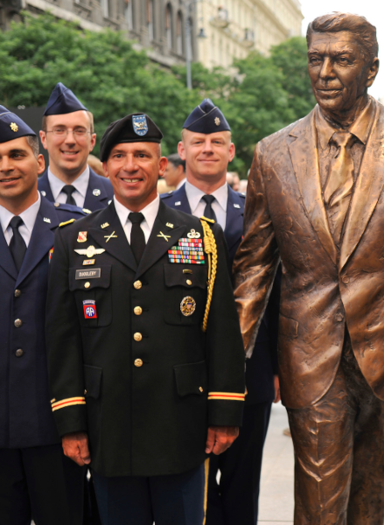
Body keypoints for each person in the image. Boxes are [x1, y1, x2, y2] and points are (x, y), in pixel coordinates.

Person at [232, 12, 384, 523]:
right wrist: (229, 350)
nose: (324, 71)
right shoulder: (273, 154)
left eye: (341, 60)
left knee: (372, 496)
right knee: (321, 501)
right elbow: (255, 265)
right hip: (310, 349)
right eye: (315, 59)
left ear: (370, 70)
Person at [45, 113, 246, 525]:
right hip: (108, 428)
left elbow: (223, 332)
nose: (130, 165)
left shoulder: (200, 235)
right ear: (106, 167)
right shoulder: (74, 238)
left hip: (182, 425)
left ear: (161, 166)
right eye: (119, 156)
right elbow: (63, 338)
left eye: (142, 155)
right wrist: (70, 421)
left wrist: (224, 413)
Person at [161, 98, 281, 525]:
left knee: (241, 485)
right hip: (177, 373)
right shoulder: (157, 213)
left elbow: (278, 292)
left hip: (252, 368)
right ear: (183, 150)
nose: (207, 148)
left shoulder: (259, 212)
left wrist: (280, 366)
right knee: (183, 486)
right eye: (198, 142)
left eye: (217, 142)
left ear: (232, 152)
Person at [0, 106, 87, 525]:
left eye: (16, 155)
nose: (5, 166)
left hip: (57, 429)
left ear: (39, 161)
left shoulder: (80, 232)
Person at [38, 83, 113, 211]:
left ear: (92, 141)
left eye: (79, 131)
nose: (70, 140)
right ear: (44, 139)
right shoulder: (25, 196)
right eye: (59, 130)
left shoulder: (118, 195)